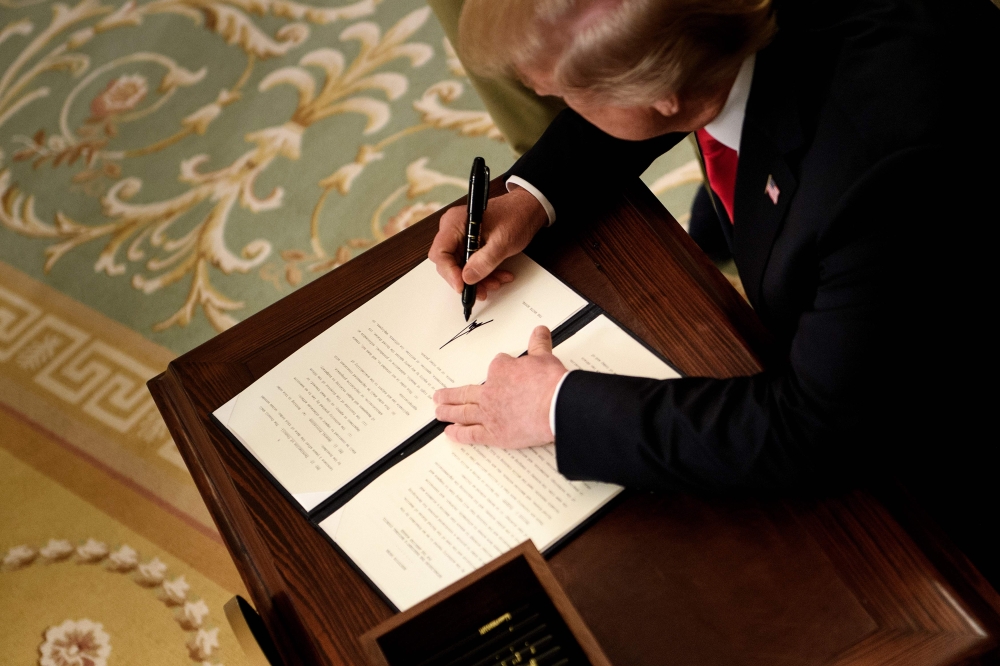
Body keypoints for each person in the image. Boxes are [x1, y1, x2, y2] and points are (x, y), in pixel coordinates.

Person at [427, 0, 1000, 583]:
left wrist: (556, 407)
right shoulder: (707, 46)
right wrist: (531, 195)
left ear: (659, 91)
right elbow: (644, 92)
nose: (571, 110)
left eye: (575, 98)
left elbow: (817, 432)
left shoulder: (879, 182)